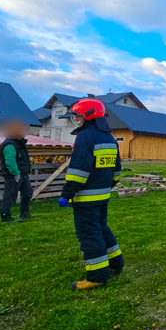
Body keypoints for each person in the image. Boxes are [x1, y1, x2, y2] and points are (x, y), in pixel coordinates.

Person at [58, 98, 124, 291]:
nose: (76, 120)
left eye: (77, 116)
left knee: (89, 234)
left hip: (86, 198)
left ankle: (97, 277)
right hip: (103, 195)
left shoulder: (85, 136)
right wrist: (107, 186)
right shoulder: (109, 138)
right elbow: (117, 170)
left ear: (88, 116)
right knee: (102, 229)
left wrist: (67, 194)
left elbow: (79, 169)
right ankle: (115, 263)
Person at [0, 117, 33, 223]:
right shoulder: (10, 144)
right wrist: (16, 174)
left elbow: (23, 158)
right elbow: (10, 161)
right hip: (13, 175)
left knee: (28, 192)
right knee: (10, 196)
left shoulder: (19, 143)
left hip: (23, 173)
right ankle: (5, 216)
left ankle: (25, 213)